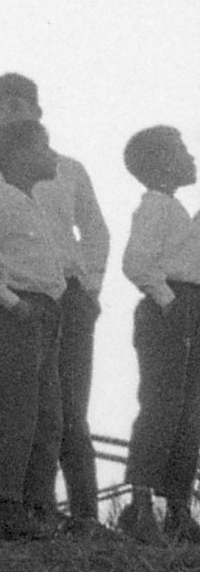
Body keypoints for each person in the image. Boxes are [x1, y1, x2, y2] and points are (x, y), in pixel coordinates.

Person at [0, 73, 114, 531]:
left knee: (68, 406)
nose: (8, 115)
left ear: (38, 111)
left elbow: (96, 230)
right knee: (22, 404)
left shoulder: (69, 168)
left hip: (69, 295)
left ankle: (83, 513)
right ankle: (19, 505)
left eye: (17, 105)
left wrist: (93, 286)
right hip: (18, 297)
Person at [0, 108, 82, 544]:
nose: (52, 155)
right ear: (17, 156)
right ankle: (6, 503)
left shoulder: (32, 206)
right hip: (19, 316)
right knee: (16, 411)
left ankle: (38, 503)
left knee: (48, 414)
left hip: (47, 314)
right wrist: (13, 304)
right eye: (43, 146)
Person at [117, 123, 195, 544]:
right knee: (162, 406)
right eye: (181, 149)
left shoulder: (178, 211)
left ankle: (178, 508)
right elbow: (136, 262)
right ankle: (141, 502)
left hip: (190, 309)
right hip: (170, 311)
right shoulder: (155, 207)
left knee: (190, 412)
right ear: (161, 164)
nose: (191, 156)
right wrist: (169, 302)